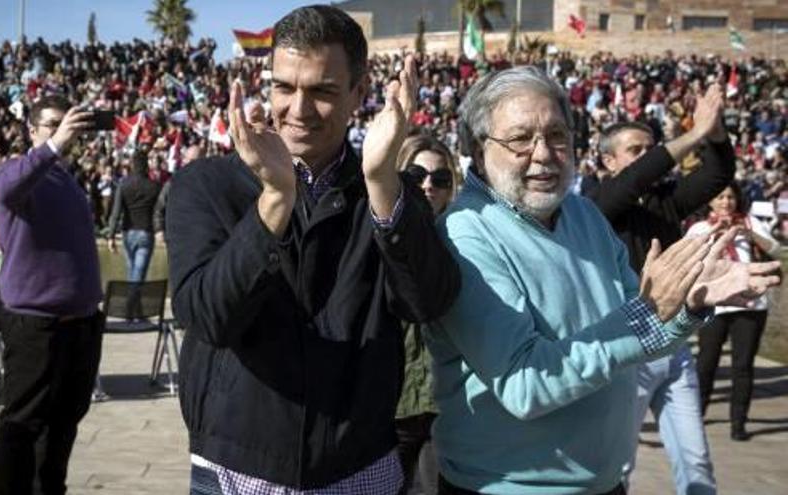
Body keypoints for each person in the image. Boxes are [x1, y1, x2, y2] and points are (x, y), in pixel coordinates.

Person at [425, 66, 781, 495]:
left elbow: (644, 338)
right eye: (521, 139)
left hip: (606, 483)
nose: (543, 153)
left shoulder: (582, 214)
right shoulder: (465, 234)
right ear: (479, 150)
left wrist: (688, 303)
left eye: (557, 135)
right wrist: (647, 315)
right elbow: (526, 385)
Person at [167, 5, 460, 494]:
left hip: (360, 466)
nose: (298, 110)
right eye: (284, 87)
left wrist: (383, 182)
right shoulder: (207, 184)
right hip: (236, 468)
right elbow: (208, 317)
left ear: (358, 94)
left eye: (322, 91)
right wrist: (275, 201)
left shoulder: (390, 189)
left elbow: (428, 303)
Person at [588, 86, 735, 494]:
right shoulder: (594, 204)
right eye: (635, 150)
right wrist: (692, 135)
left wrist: (716, 133)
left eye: (650, 149)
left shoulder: (664, 203)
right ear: (608, 160)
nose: (647, 158)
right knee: (617, 465)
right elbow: (633, 180)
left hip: (675, 349)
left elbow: (718, 175)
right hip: (627, 351)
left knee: (696, 461)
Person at [0, 95, 104, 495]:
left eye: (66, 123)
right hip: (36, 325)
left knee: (64, 421)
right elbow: (6, 190)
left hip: (79, 324)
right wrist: (55, 144)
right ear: (32, 130)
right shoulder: (17, 172)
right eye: (51, 124)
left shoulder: (65, 177)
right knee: (22, 424)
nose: (62, 131)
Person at [687, 182, 781, 441]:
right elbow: (687, 256)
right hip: (713, 306)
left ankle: (738, 422)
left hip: (751, 305)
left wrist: (748, 234)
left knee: (743, 366)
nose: (726, 202)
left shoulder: (750, 223)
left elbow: (775, 249)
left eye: (730, 197)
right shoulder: (701, 227)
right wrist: (715, 234)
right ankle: (696, 414)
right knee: (706, 363)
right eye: (720, 197)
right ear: (710, 201)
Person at [394, 134, 460, 494]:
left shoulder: (470, 240)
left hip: (447, 401)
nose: (428, 186)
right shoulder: (375, 234)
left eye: (440, 179)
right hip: (390, 400)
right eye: (417, 175)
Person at [107, 150, 161, 282]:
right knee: (139, 273)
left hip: (128, 231)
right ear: (146, 165)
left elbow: (116, 211)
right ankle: (133, 300)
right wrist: (160, 229)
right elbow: (159, 211)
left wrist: (111, 235)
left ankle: (132, 300)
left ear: (132, 165)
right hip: (146, 231)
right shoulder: (154, 186)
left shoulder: (124, 185)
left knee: (131, 269)